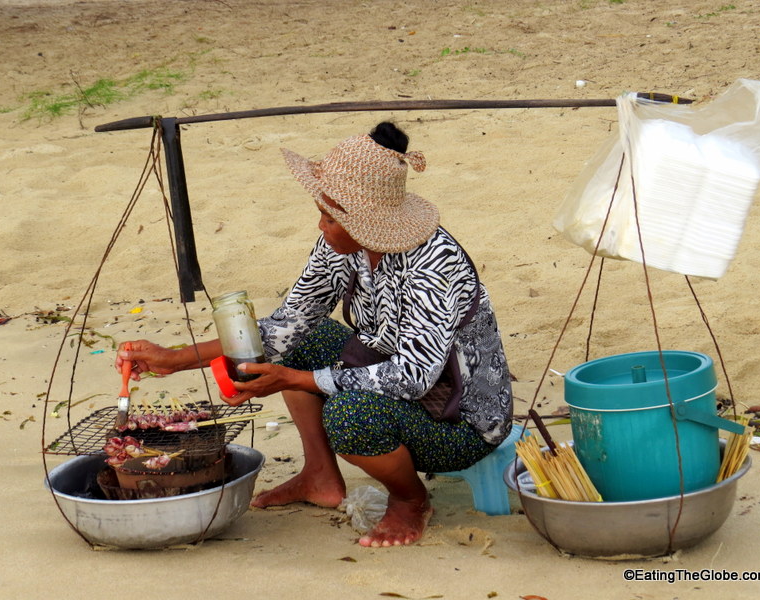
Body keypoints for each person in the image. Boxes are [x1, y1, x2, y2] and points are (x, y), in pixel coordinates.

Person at [116, 122, 513, 547]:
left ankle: (410, 500)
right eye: (321, 212)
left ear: (366, 224)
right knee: (303, 341)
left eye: (330, 217)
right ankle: (320, 475)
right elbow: (286, 326)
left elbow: (412, 378)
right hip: (389, 377)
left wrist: (297, 380)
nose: (321, 225)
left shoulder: (434, 266)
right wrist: (172, 359)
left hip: (458, 423)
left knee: (350, 417)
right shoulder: (342, 247)